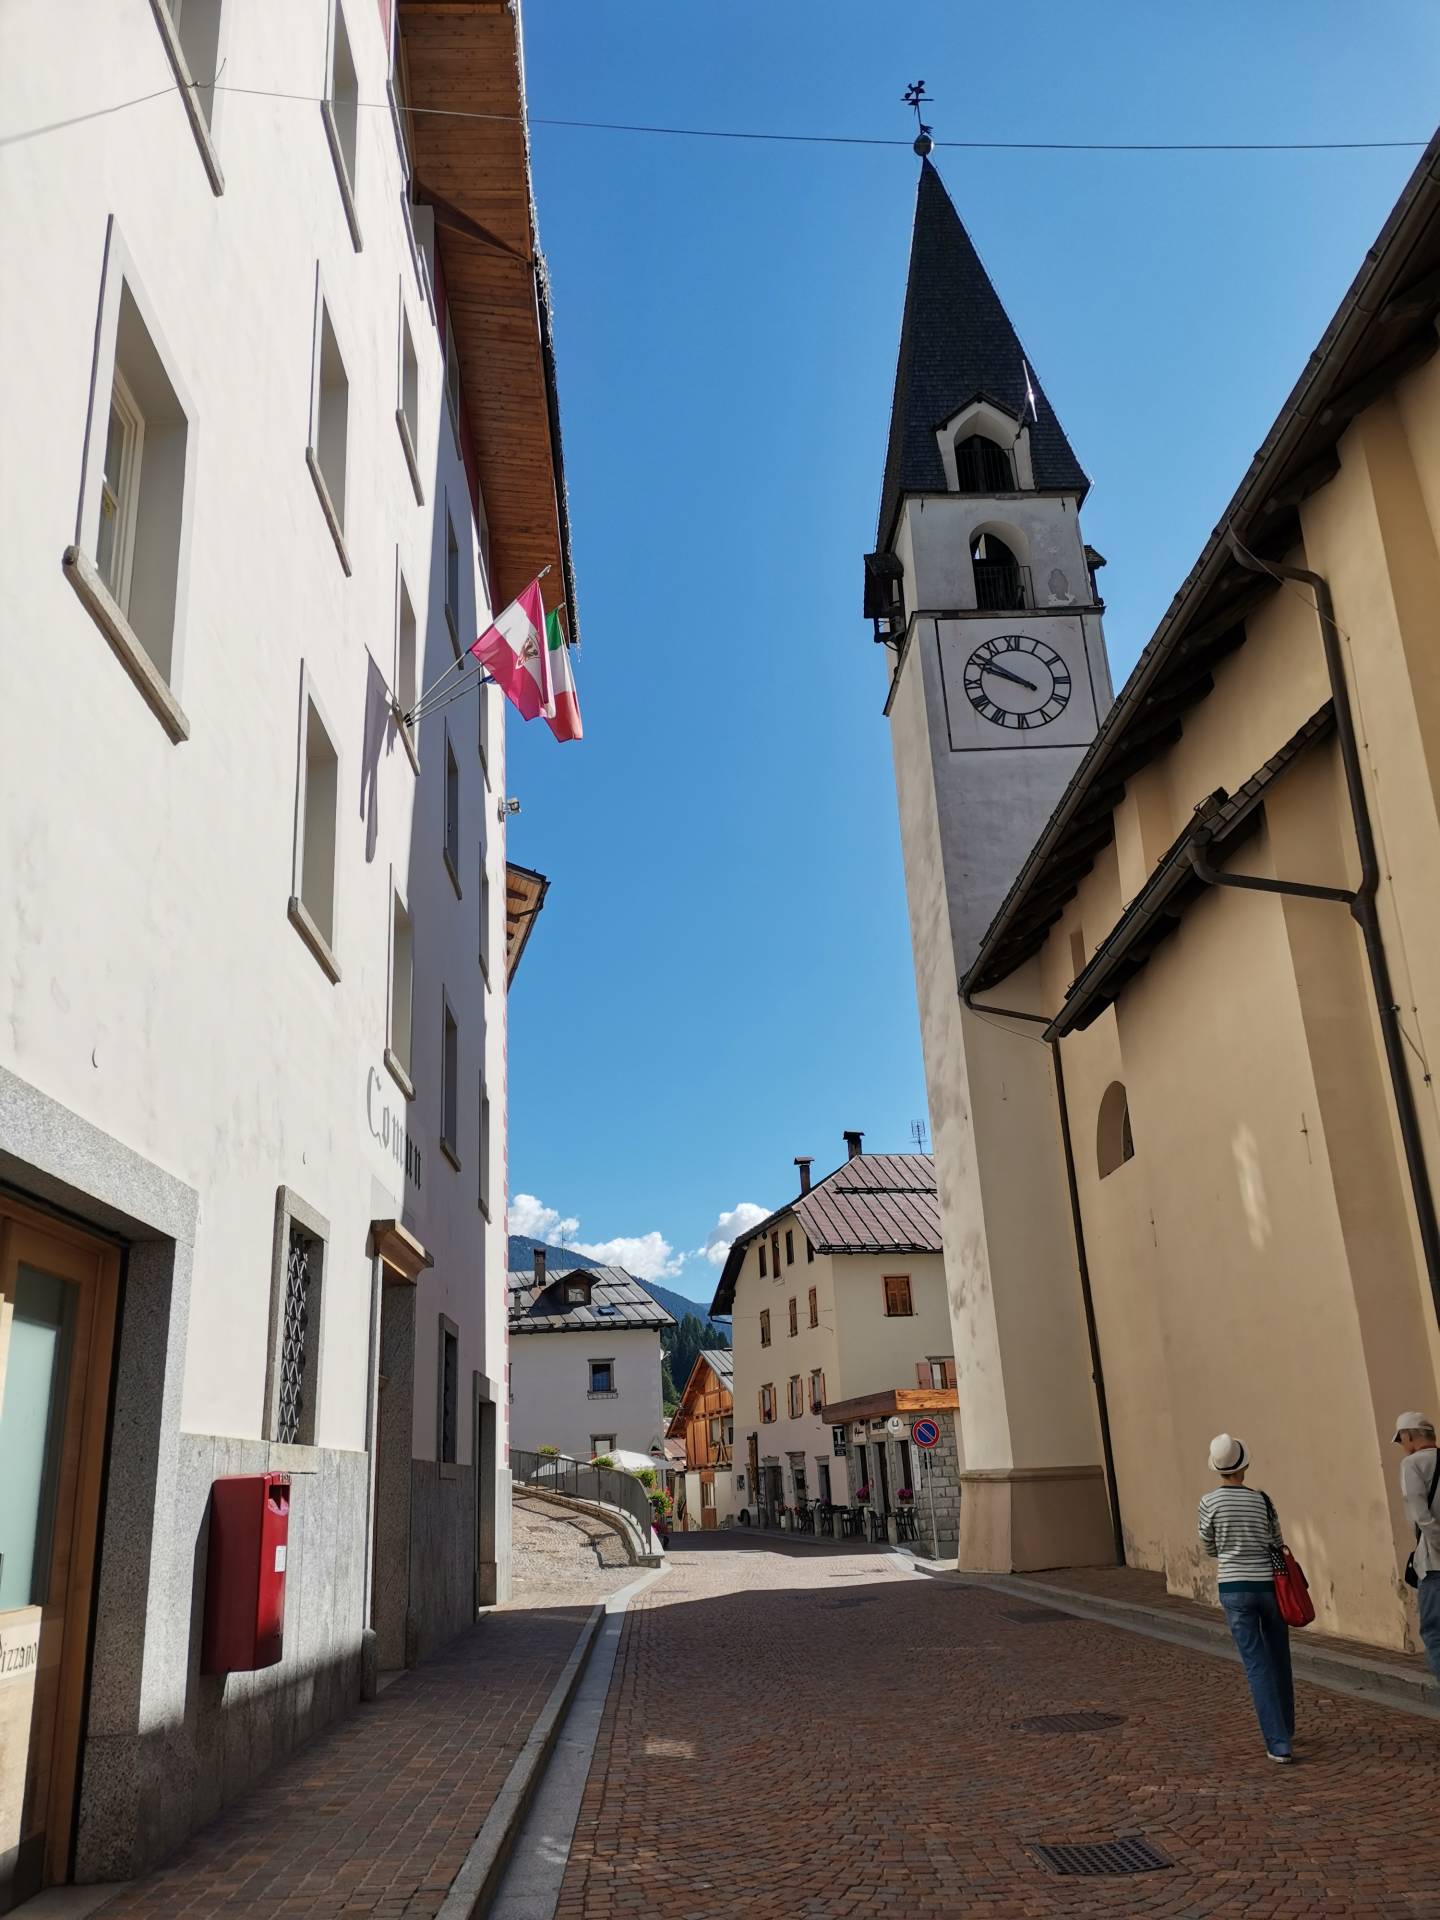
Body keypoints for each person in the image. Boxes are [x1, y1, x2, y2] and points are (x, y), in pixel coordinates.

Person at [1197, 1433, 1295, 1762]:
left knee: (1256, 1665)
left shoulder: (1209, 1502)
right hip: (1268, 1586)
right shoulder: (1262, 1500)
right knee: (1279, 1657)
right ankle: (1287, 1726)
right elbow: (1277, 1540)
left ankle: (1278, 1743)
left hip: (1233, 1586)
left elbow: (1208, 1545)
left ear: (1217, 1468)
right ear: (1245, 1464)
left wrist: (1228, 1552)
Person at [1393, 1411, 1440, 1684]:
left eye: (1401, 1440)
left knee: (1434, 1633)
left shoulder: (1412, 1464)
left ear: (1408, 1436)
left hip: (1434, 1564)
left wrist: (1435, 1545)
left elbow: (1421, 1516)